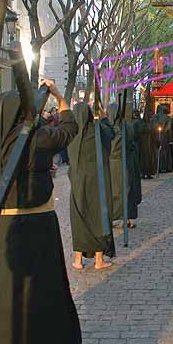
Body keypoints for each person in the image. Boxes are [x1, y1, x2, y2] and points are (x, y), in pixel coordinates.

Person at [0, 78, 81, 344]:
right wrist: (57, 96)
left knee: (8, 290)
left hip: (4, 224)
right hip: (38, 220)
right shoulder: (36, 137)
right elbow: (70, 128)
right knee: (45, 288)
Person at [68, 102, 115, 271]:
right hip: (97, 181)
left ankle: (78, 259)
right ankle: (98, 259)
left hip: (78, 182)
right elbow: (111, 132)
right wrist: (102, 115)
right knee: (97, 216)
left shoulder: (71, 134)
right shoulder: (97, 132)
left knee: (80, 217)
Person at [107, 99, 139, 228]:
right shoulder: (125, 126)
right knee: (122, 190)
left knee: (122, 190)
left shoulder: (111, 127)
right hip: (121, 162)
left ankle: (124, 217)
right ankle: (123, 217)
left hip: (118, 162)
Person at [151, 104, 173, 173]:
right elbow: (169, 128)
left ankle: (156, 167)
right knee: (164, 151)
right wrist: (169, 136)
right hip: (164, 136)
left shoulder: (153, 117)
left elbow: (151, 127)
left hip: (155, 135)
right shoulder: (167, 117)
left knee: (156, 151)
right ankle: (165, 167)